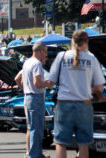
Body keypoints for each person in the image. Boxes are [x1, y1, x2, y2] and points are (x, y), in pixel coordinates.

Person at [47, 30, 106, 158]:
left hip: (64, 104)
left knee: (60, 142)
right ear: (87, 41)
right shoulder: (92, 58)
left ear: (72, 41)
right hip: (84, 105)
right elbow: (99, 87)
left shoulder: (61, 56)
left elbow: (51, 82)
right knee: (83, 144)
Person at [22, 42, 49, 158]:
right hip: (36, 96)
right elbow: (37, 83)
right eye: (45, 52)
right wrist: (48, 83)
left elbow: (22, 81)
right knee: (37, 128)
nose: (46, 54)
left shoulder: (27, 62)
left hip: (28, 96)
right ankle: (34, 154)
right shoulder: (37, 64)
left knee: (33, 127)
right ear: (40, 51)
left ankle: (36, 153)